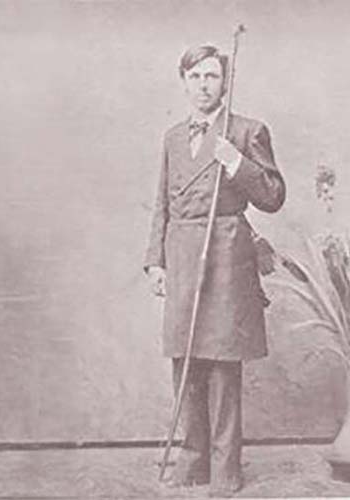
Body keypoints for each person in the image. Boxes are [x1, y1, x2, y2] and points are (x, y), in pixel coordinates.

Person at [144, 44, 286, 497]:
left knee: (223, 361)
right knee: (185, 357)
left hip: (225, 253)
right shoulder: (172, 137)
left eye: (211, 76)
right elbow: (162, 203)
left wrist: (235, 162)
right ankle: (193, 460)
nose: (203, 85)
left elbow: (273, 195)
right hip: (182, 254)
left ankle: (226, 469)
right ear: (183, 81)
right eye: (195, 76)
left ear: (224, 81)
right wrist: (155, 261)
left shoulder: (245, 131)